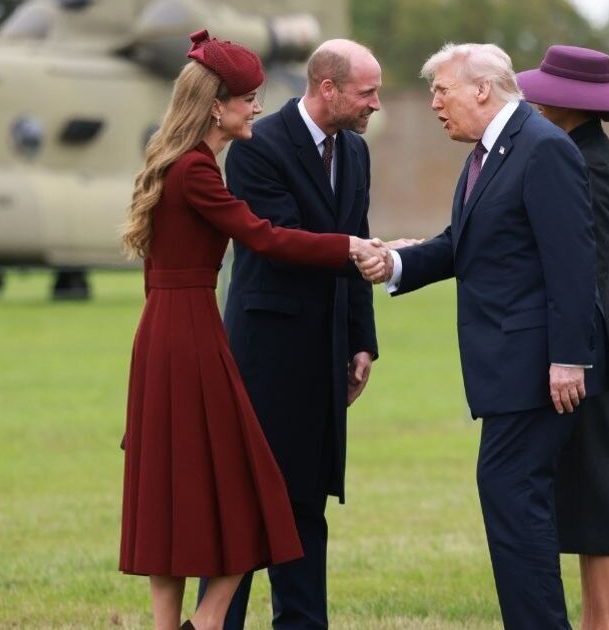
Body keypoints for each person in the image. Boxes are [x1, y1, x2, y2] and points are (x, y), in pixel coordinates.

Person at [117, 30, 384, 630]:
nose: (256, 109)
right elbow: (264, 236)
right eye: (247, 99)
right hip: (195, 335)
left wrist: (360, 333)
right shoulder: (199, 170)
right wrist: (352, 247)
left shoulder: (180, 164)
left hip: (169, 329)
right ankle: (210, 622)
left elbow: (159, 272)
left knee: (182, 484)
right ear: (217, 107)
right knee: (247, 488)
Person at [367, 42, 609, 629]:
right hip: (509, 367)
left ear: (482, 89)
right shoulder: (492, 150)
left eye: (441, 90)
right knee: (511, 498)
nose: (434, 103)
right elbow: (464, 243)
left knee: (512, 496)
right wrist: (396, 263)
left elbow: (572, 259)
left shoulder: (542, 148)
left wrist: (569, 359)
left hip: (538, 368)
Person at [204, 39, 384, 629]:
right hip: (266, 358)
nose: (375, 104)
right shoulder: (258, 146)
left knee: (306, 503)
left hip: (325, 355)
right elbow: (277, 240)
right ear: (327, 88)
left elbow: (358, 237)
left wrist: (361, 340)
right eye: (367, 92)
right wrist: (355, 249)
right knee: (244, 504)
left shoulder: (355, 152)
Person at [517, 45, 609, 630]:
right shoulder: (580, 150)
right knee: (583, 482)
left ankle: (603, 622)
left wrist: (567, 350)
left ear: (570, 102)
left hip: (591, 337)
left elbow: (581, 265)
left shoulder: (588, 162)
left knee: (598, 484)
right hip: (589, 331)